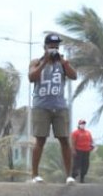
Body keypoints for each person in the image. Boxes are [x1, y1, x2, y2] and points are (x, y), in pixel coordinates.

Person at [29, 33, 77, 183]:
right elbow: (31, 77)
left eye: (56, 47)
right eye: (51, 47)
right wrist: (45, 62)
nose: (54, 49)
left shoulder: (63, 63)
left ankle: (69, 176)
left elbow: (74, 76)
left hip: (60, 107)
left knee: (64, 140)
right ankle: (35, 175)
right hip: (41, 107)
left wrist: (63, 62)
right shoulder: (36, 62)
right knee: (40, 140)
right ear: (45, 47)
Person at [70, 118, 94, 184]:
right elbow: (73, 142)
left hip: (86, 151)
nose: (82, 125)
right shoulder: (75, 133)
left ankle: (82, 178)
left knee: (85, 165)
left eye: (84, 124)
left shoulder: (88, 133)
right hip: (78, 151)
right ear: (79, 125)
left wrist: (92, 146)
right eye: (81, 124)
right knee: (76, 165)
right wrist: (73, 150)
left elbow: (91, 141)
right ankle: (73, 178)